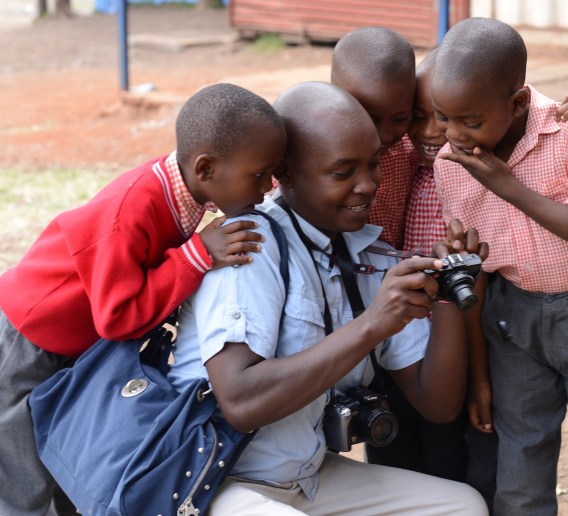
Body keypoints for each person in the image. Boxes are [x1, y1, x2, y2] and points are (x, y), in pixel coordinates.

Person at [167, 81, 489, 515]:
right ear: (285, 175)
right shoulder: (250, 245)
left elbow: (437, 404)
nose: (367, 185)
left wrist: (452, 290)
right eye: (343, 172)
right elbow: (240, 401)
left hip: (305, 476)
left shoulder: (369, 257)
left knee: (461, 506)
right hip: (218, 481)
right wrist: (372, 323)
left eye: (373, 164)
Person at [0, 82, 286, 516]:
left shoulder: (185, 192)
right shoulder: (131, 211)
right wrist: (197, 256)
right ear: (206, 168)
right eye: (260, 173)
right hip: (30, 339)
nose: (269, 186)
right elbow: (117, 317)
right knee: (22, 478)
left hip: (77, 346)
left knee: (71, 459)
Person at [432, 17, 568, 515]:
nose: (453, 135)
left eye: (469, 120)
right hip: (513, 319)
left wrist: (507, 185)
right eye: (443, 117)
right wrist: (479, 371)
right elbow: (478, 270)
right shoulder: (452, 164)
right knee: (521, 455)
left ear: (517, 104)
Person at [331, 26, 419, 249]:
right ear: (335, 95)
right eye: (371, 118)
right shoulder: (316, 152)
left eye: (401, 118)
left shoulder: (411, 150)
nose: (385, 135)